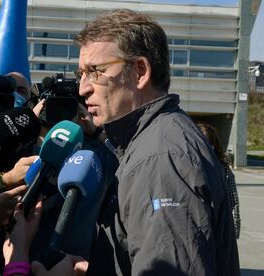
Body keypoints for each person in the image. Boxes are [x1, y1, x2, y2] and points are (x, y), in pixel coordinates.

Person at [73, 9, 239, 275]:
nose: (83, 88)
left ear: (140, 71)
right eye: (80, 73)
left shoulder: (161, 158)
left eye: (95, 71)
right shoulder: (151, 139)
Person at [197, 122, 241, 239]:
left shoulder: (223, 170)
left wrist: (234, 230)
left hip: (217, 229)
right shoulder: (185, 167)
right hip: (195, 230)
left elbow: (233, 202)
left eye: (209, 145)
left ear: (214, 145)